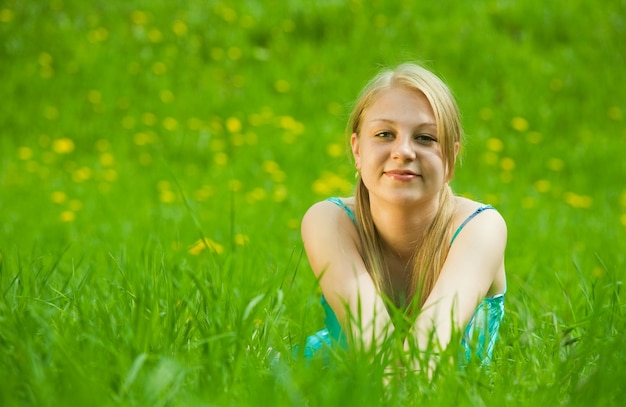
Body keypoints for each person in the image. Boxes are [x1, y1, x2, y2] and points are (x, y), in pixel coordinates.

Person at [300, 63, 507, 369]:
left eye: (425, 138)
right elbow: (375, 348)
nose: (404, 151)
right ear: (357, 150)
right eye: (385, 134)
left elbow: (426, 358)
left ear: (450, 159)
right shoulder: (329, 220)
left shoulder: (479, 228)